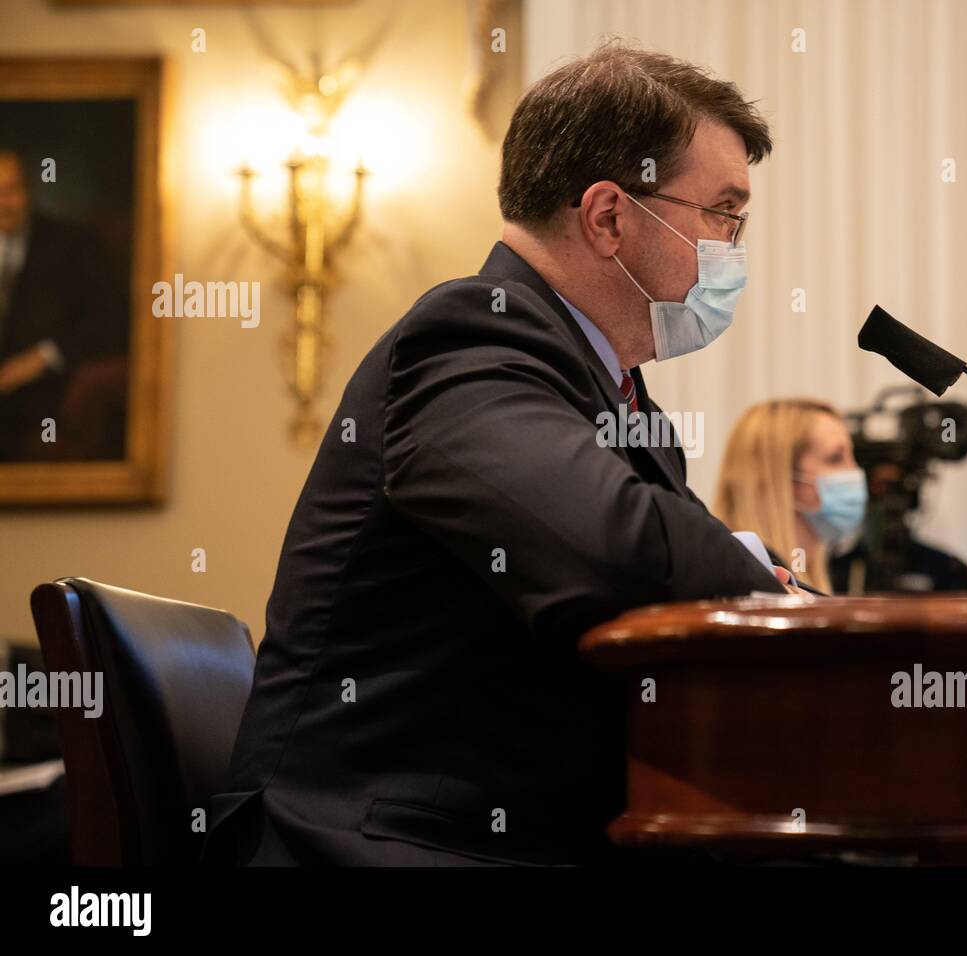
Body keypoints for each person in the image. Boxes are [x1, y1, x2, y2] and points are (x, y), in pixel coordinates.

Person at [203, 41, 808, 868]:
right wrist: (765, 579)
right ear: (608, 216)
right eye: (723, 215)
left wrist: (766, 583)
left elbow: (663, 562)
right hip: (377, 839)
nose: (734, 249)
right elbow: (618, 547)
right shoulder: (467, 337)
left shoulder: (617, 397)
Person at [0, 149, 127, 461]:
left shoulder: (72, 244)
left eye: (9, 191)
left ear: (28, 192)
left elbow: (111, 323)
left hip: (45, 396)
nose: (2, 203)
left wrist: (43, 357)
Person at [715, 399, 868, 595]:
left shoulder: (812, 575)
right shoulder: (731, 582)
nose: (854, 471)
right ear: (777, 476)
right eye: (835, 458)